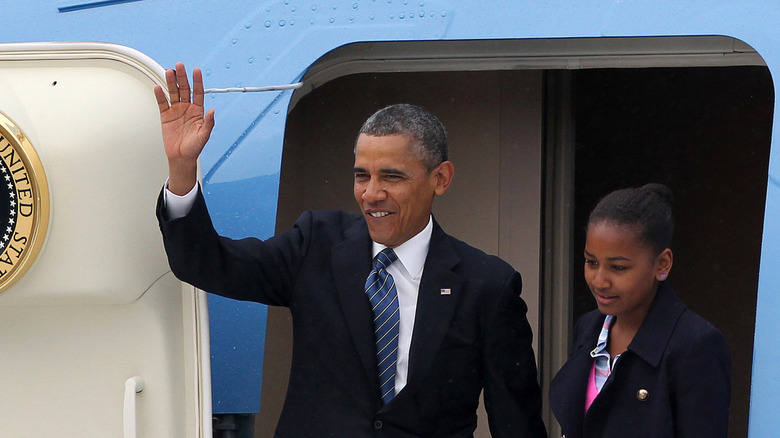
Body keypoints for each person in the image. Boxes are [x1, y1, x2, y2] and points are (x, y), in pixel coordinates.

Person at [154, 63, 546, 437]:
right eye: (362, 176)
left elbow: (516, 423)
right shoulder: (315, 245)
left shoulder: (488, 286)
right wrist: (182, 169)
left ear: (440, 178)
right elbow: (205, 264)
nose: (371, 194)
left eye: (392, 177)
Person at [548, 183, 731, 438]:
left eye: (618, 267)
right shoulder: (589, 328)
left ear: (662, 264)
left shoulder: (696, 345)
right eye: (591, 262)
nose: (599, 280)